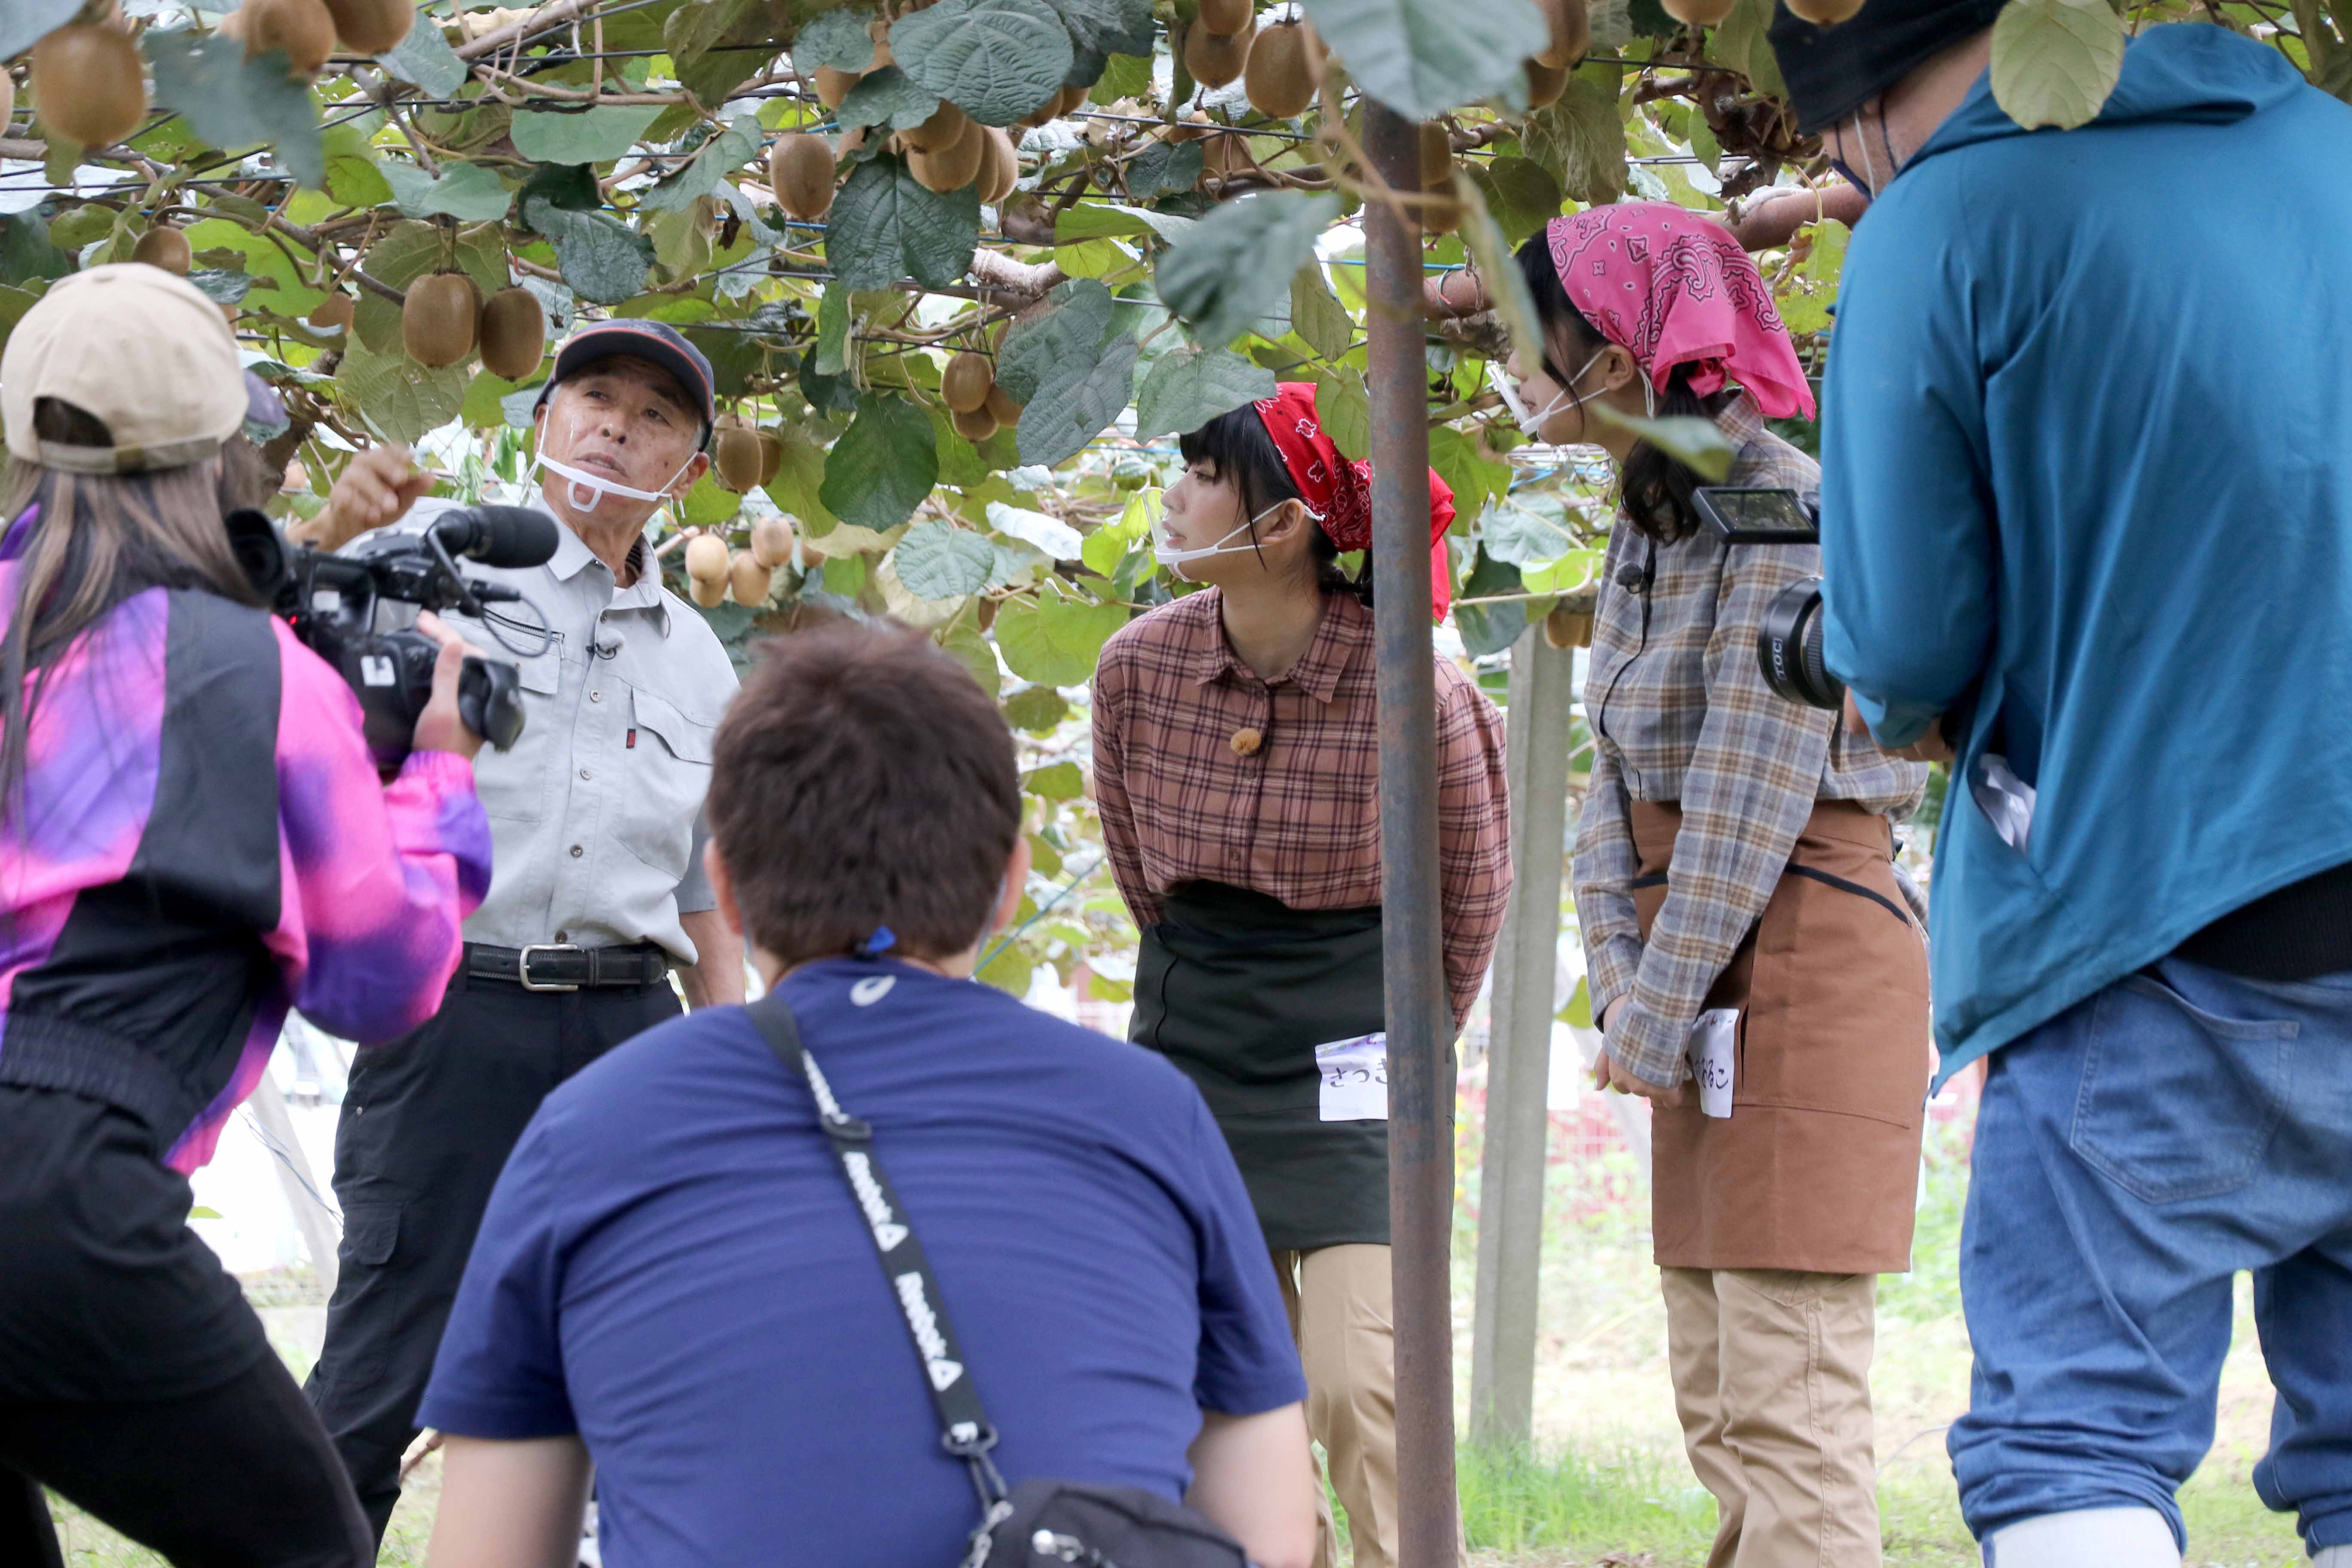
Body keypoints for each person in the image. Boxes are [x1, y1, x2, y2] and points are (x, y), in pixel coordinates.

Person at [1767, 9, 2352, 1565]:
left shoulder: (1942, 221)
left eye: (1831, 159)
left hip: (2158, 912)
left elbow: (1900, 642)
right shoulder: (2336, 155)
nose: (1838, 186)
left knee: (2070, 1439)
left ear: (1864, 102)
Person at [411, 622, 1319, 1568]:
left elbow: (488, 1548)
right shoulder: (1150, 1113)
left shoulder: (589, 1129)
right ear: (1009, 883)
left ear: (724, 886)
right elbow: (1269, 1534)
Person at [0, 265, 490, 1564]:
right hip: (53, 1189)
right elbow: (380, 980)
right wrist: (437, 771)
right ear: (227, 449)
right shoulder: (252, 672)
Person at [1492, 203, 1932, 1568]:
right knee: (1718, 1386)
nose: (1509, 360)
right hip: (1702, 957)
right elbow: (1608, 776)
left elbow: (1749, 788)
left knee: (1787, 1386)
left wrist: (1650, 1000)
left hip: (1802, 939)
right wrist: (1625, 985)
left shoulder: (1778, 506)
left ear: (1614, 351)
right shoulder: (1650, 511)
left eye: (1531, 333)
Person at [301, 318, 748, 1540]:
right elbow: (272, 665)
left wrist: (750, 1071)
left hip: (630, 1036)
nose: (618, 423)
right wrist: (332, 534)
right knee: (381, 1365)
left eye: (657, 415)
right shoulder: (431, 566)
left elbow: (703, 891)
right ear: (541, 421)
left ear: (690, 470)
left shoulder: (704, 663)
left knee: (638, 1366)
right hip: (452, 1009)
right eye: (594, 396)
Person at [1089, 383, 1512, 1568]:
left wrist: (1403, 1050)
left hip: (1357, 1043)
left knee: (1359, 1377)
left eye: (1205, 477)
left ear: (1282, 528)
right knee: (1225, 1380)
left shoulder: (1416, 690)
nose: (1174, 498)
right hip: (1195, 1033)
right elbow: (1140, 869)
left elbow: (1471, 896)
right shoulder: (1136, 669)